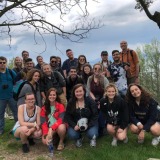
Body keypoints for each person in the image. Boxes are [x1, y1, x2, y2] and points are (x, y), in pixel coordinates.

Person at [87, 63, 109, 136]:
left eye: (99, 69)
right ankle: (93, 126)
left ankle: (102, 127)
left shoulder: (104, 79)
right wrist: (95, 100)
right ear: (93, 70)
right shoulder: (90, 78)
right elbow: (88, 91)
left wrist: (101, 102)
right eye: (95, 68)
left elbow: (107, 90)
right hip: (93, 98)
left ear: (101, 70)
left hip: (103, 98)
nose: (97, 70)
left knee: (101, 111)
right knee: (93, 110)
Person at [0, 56, 18, 135]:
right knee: (0, 114)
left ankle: (17, 128)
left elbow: (17, 81)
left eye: (4, 62)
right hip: (1, 98)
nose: (2, 64)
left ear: (6, 63)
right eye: (0, 63)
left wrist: (15, 90)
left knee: (16, 113)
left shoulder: (10, 72)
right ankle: (1, 129)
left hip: (11, 96)